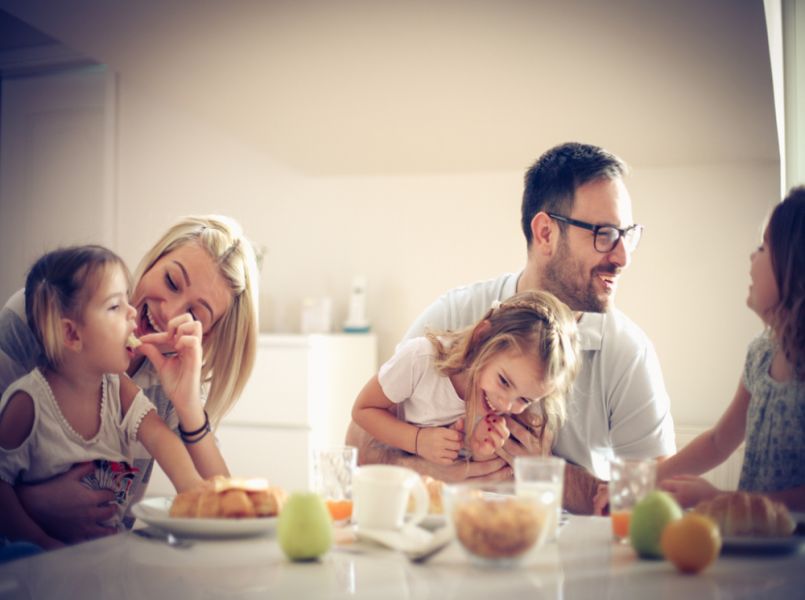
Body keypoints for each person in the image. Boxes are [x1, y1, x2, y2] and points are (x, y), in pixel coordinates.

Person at [346, 142, 676, 513]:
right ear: (546, 233)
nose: (623, 256)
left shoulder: (627, 352)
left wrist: (545, 471)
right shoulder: (455, 317)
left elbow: (654, 500)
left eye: (626, 234)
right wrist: (427, 470)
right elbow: (358, 443)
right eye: (605, 234)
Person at [0, 215, 259, 542]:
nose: (170, 312)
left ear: (204, 334)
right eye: (171, 281)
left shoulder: (147, 386)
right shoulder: (42, 313)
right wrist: (37, 508)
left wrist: (189, 407)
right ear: (69, 332)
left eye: (194, 314)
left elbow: (220, 511)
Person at [658, 187, 805, 510]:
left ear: (794, 266)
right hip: (755, 537)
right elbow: (718, 441)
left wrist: (722, 500)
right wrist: (647, 481)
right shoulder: (760, 355)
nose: (752, 257)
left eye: (763, 247)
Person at [352, 291, 578, 465]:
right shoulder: (420, 360)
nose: (506, 405)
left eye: (524, 400)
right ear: (481, 338)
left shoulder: (503, 409)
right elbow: (363, 409)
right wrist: (418, 440)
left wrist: (479, 451)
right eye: (504, 381)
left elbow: (472, 477)